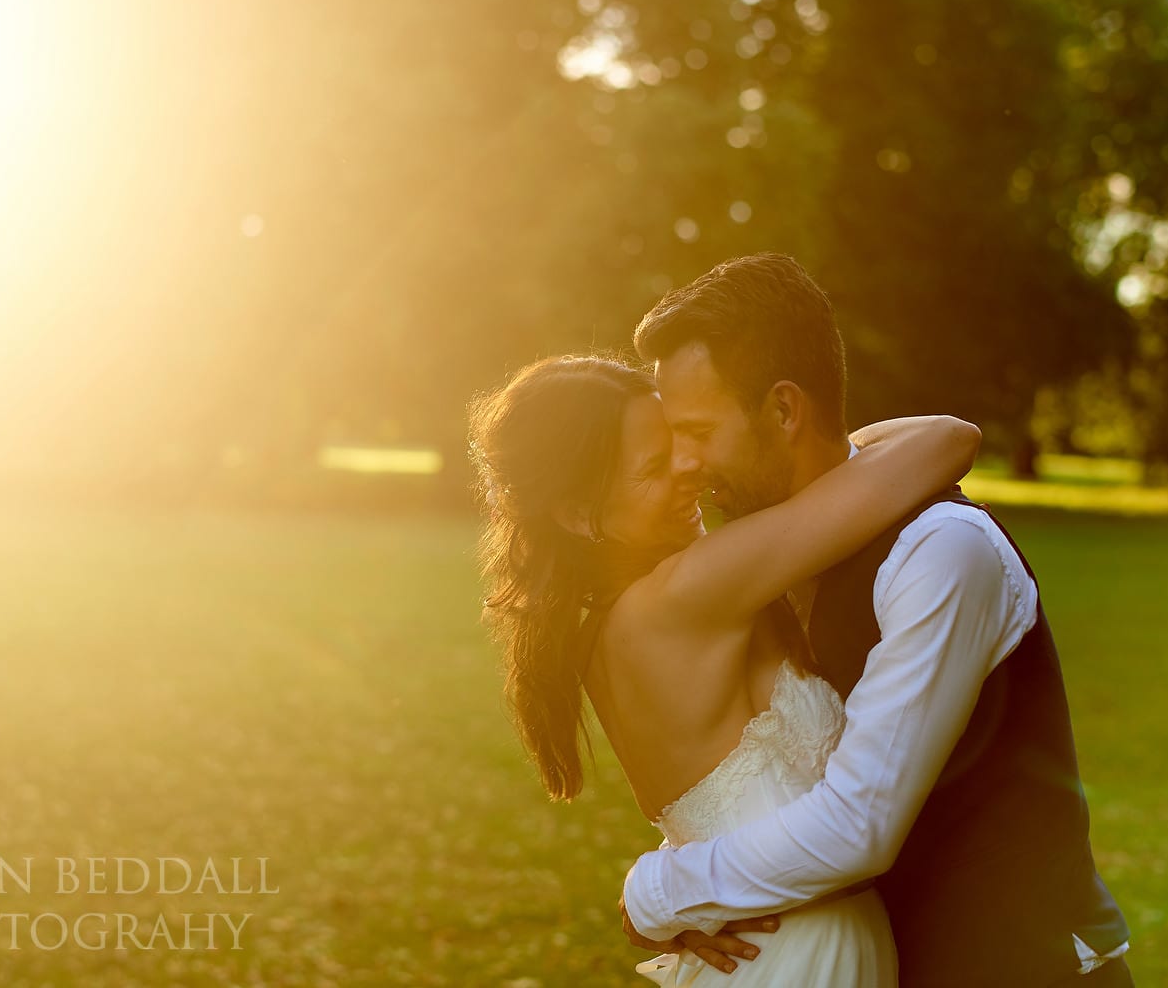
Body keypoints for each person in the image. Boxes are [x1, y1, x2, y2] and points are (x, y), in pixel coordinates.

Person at [618, 252, 1132, 987]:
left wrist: (660, 894)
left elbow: (859, 824)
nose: (685, 461)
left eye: (699, 430)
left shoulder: (941, 551)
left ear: (785, 409)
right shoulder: (763, 554)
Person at [469, 352, 982, 985]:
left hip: (763, 951)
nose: (690, 466)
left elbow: (721, 805)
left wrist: (673, 895)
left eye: (681, 440)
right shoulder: (690, 591)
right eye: (654, 467)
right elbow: (946, 439)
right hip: (796, 957)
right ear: (578, 515)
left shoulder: (604, 628)